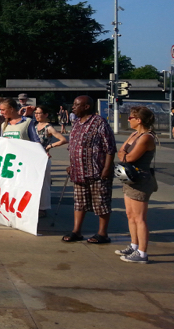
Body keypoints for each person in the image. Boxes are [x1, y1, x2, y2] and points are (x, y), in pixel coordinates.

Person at [63, 95, 116, 244]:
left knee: (101, 203)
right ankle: (76, 231)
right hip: (78, 172)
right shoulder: (76, 123)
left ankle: (102, 234)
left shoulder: (100, 122)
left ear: (86, 106)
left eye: (76, 105)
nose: (73, 107)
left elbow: (110, 148)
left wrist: (106, 168)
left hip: (97, 172)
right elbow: (73, 145)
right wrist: (72, 165)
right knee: (79, 203)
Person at [114, 106, 157, 264]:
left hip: (140, 179)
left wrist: (124, 155)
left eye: (131, 117)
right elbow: (121, 152)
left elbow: (129, 157)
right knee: (130, 214)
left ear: (138, 120)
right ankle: (134, 245)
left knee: (140, 217)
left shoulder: (146, 137)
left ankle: (142, 252)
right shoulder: (134, 134)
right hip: (129, 178)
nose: (128, 120)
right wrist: (124, 155)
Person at [34, 105, 68, 217]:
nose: (37, 115)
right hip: (32, 158)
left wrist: (50, 146)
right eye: (36, 113)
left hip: (43, 158)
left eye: (39, 113)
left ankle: (43, 208)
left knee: (44, 184)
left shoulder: (48, 127)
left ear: (45, 115)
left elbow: (63, 139)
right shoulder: (33, 126)